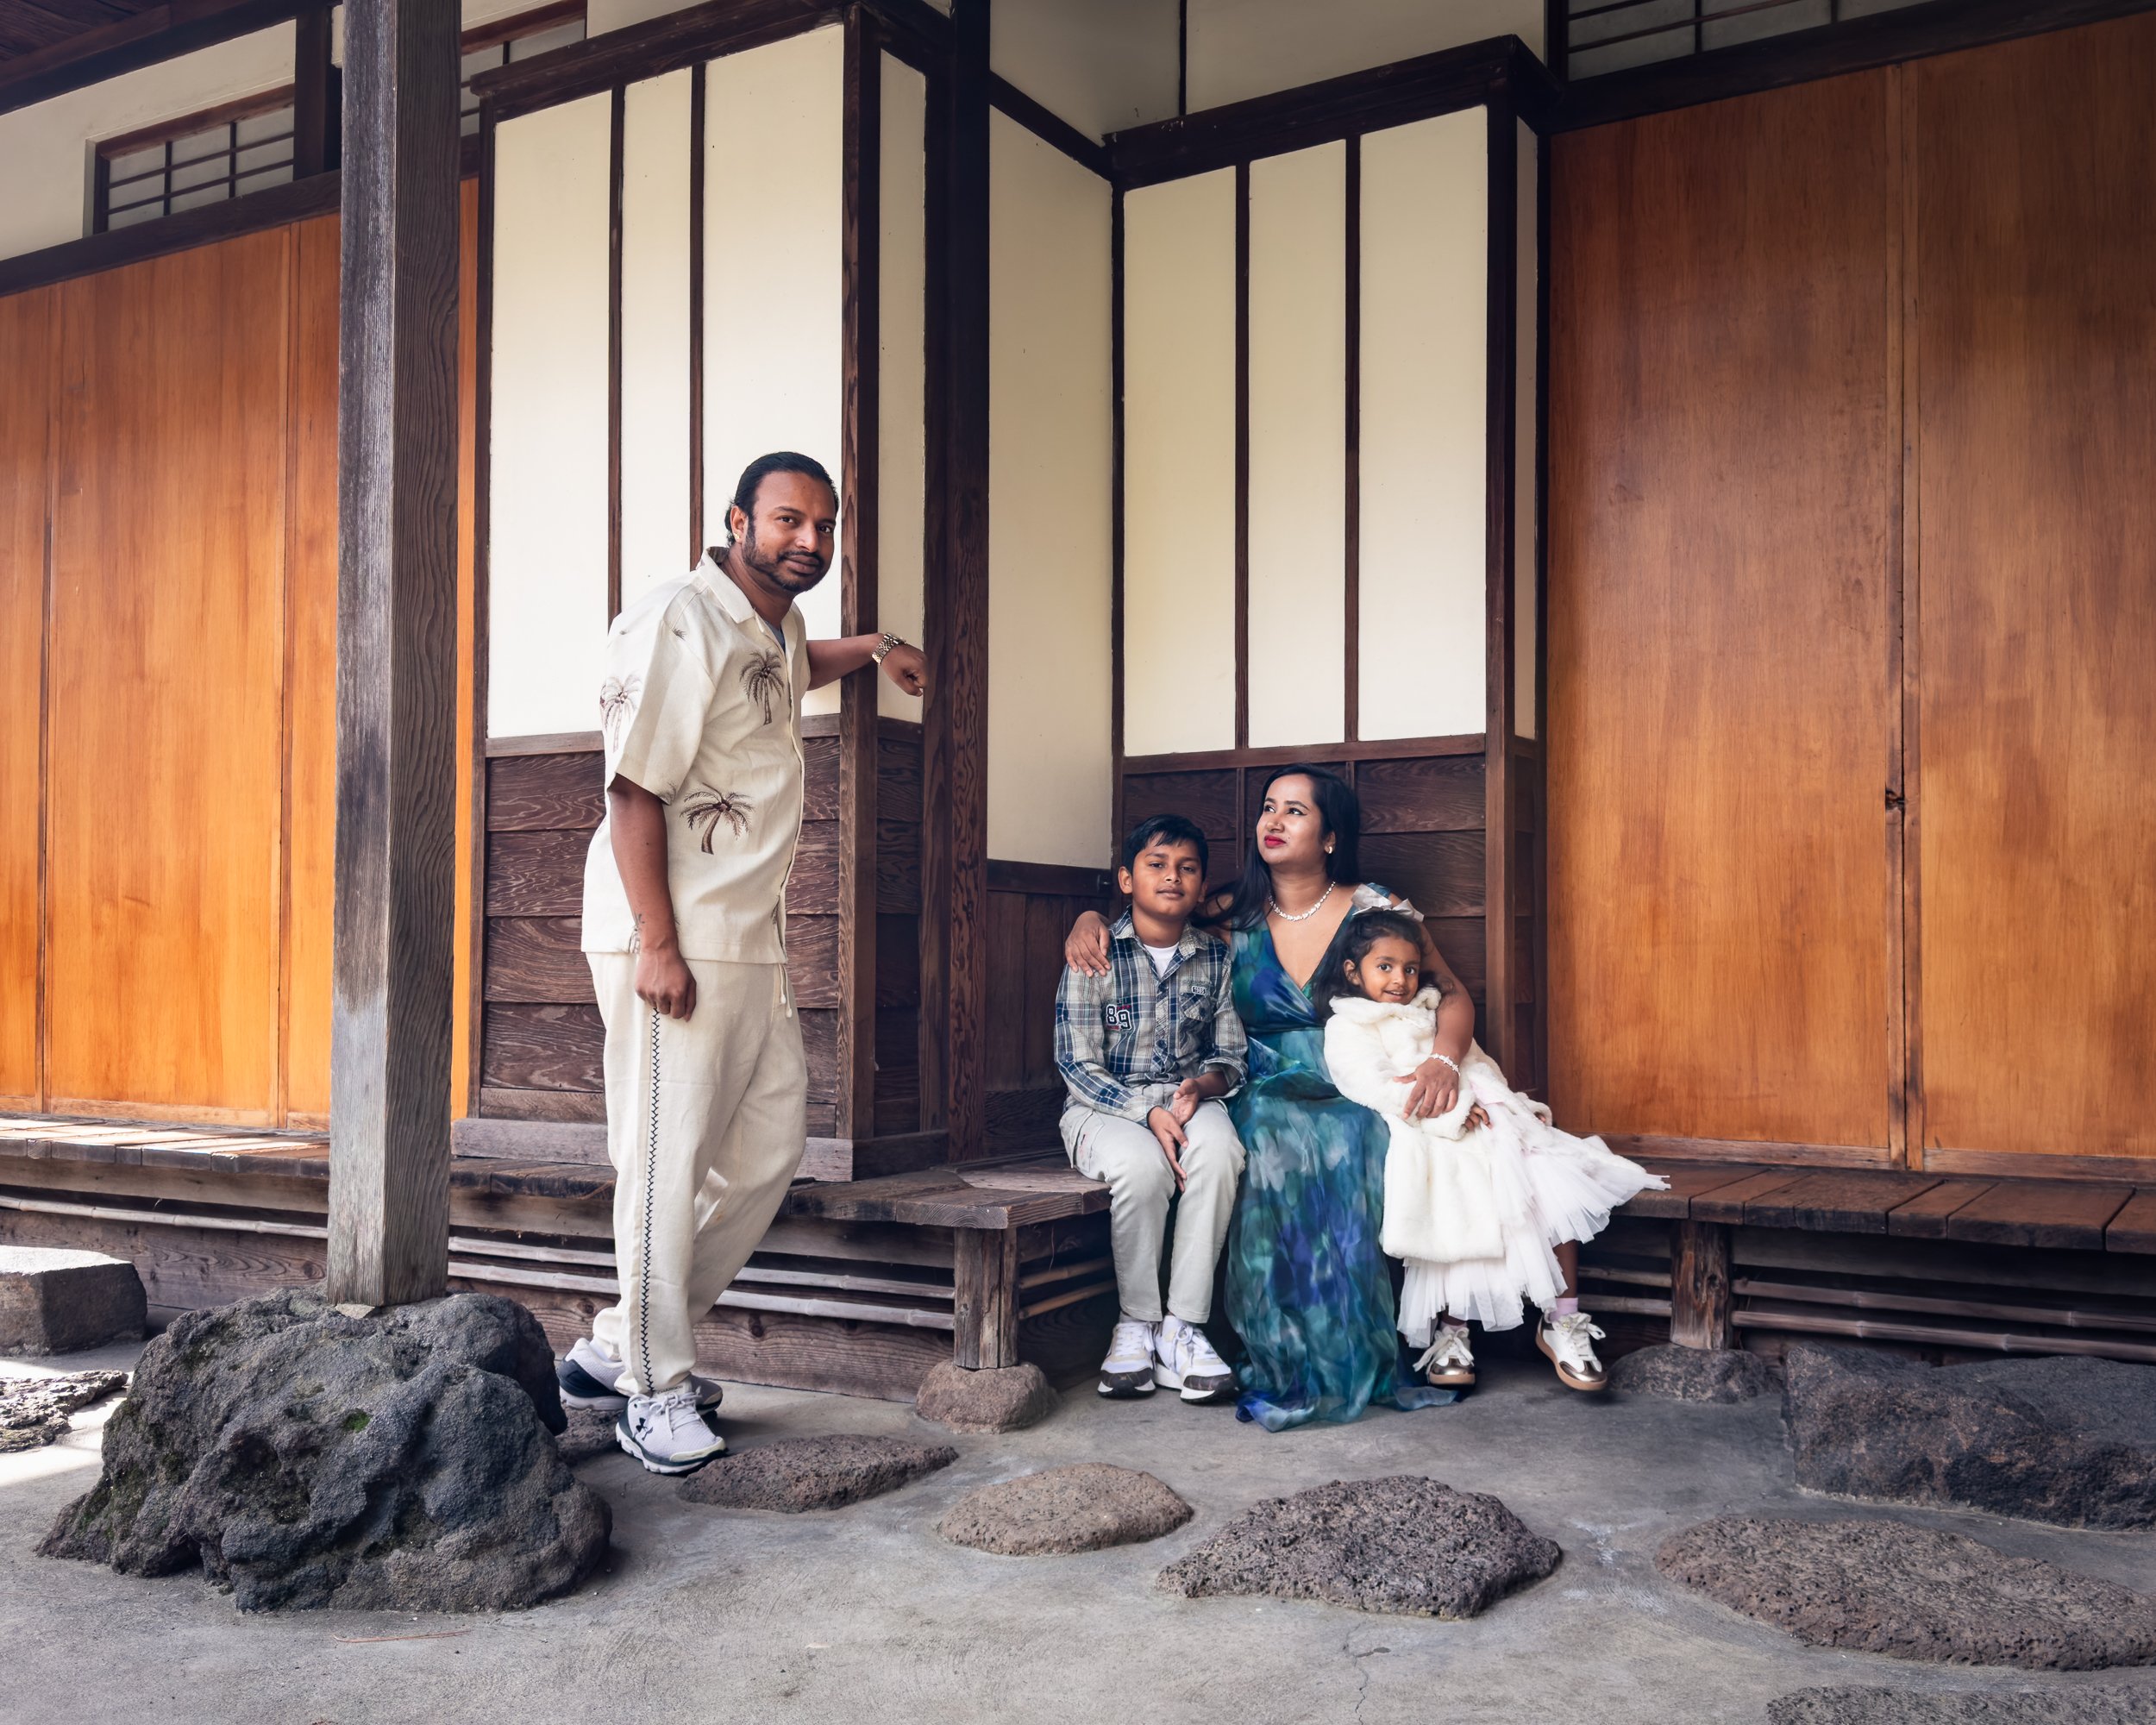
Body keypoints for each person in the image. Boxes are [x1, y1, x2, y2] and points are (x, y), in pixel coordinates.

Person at [558, 451, 928, 1476]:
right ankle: (652, 1382)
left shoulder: (767, 618)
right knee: (663, 1159)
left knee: (765, 1153)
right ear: (735, 520)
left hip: (746, 937)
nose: (808, 540)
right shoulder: (680, 613)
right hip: (673, 931)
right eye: (786, 521)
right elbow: (632, 789)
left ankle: (611, 1341)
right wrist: (658, 944)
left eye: (823, 525)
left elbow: (789, 667)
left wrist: (881, 647)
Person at [1065, 765, 1476, 1431]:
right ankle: (1272, 1346)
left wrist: (1441, 1061)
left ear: (1332, 835)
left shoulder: (1375, 908)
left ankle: (1343, 1345)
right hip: (1256, 1079)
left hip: (1356, 1073)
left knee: (1357, 1138)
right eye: (1267, 808)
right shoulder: (1229, 911)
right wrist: (1089, 916)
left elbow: (1451, 993)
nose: (1273, 822)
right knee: (1268, 1140)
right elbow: (1149, 911)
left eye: (1294, 811)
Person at [1319, 908, 1663, 1392]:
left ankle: (1562, 1318)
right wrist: (1452, 1113)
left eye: (1410, 968)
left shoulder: (1432, 1007)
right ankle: (1454, 1330)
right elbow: (1371, 1086)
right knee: (1462, 1192)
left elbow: (1476, 1063)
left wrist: (1508, 1105)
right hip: (1428, 1134)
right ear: (1354, 972)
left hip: (1484, 1118)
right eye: (1385, 967)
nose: (1401, 980)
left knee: (1547, 1178)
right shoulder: (1349, 1026)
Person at [1053, 814, 1247, 1403]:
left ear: (1201, 884)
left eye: (1187, 868)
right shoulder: (1095, 954)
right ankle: (1136, 1323)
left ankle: (1183, 1329)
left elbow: (1231, 1054)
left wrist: (1203, 1088)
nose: (1172, 877)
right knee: (1141, 1167)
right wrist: (1145, 1112)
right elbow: (1075, 1062)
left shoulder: (1214, 960)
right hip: (1102, 1106)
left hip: (1186, 1101)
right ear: (1126, 879)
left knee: (1221, 1154)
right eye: (1156, 865)